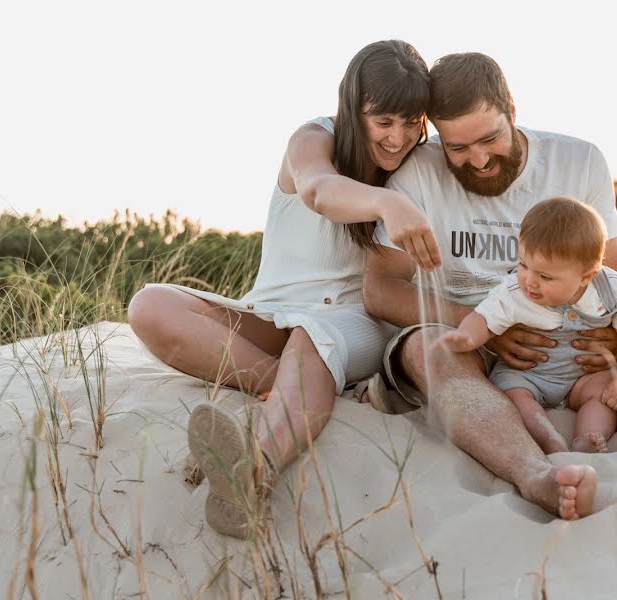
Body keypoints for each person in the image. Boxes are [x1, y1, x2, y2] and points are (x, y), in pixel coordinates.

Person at [362, 52, 617, 520]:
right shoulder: (417, 174)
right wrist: (484, 328)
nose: (477, 159)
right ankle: (536, 476)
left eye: (489, 138)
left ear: (511, 110)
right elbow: (380, 289)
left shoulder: (578, 161)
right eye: (457, 148)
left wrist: (609, 335)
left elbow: (615, 277)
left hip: (574, 345)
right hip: (475, 347)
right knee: (429, 350)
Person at [127, 40, 441, 539]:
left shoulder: (416, 168)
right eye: (385, 122)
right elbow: (317, 189)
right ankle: (285, 386)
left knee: (311, 339)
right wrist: (387, 204)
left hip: (351, 323)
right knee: (150, 304)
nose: (399, 138)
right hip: (273, 312)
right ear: (353, 108)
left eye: (411, 123)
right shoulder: (314, 139)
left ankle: (253, 473)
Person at [438, 196, 617, 455]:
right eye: (523, 265)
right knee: (514, 395)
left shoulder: (616, 291)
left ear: (586, 276)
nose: (530, 281)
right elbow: (482, 317)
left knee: (603, 395)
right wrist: (467, 336)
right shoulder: (514, 292)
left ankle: (588, 438)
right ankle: (548, 438)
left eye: (545, 276)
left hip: (581, 378)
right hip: (528, 375)